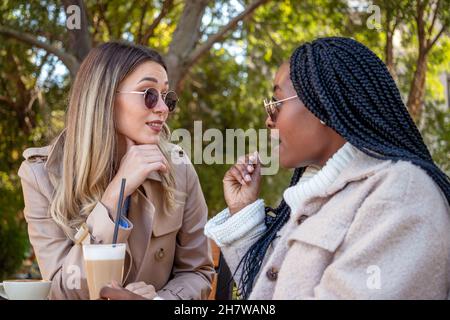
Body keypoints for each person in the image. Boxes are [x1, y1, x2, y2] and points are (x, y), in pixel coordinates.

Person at [204, 37, 450, 299]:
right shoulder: (318, 197)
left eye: (277, 103)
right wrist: (243, 214)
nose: (268, 120)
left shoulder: (400, 194)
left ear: (320, 103)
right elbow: (267, 294)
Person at [18, 41, 214, 300]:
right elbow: (63, 292)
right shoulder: (40, 175)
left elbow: (198, 271)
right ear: (105, 97)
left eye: (166, 97)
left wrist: (157, 300)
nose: (164, 108)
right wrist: (115, 194)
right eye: (149, 94)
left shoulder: (177, 169)